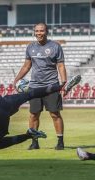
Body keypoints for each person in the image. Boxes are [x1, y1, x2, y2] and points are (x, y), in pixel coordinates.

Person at [13, 22, 81, 150]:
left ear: (47, 31)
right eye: (37, 31)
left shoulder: (55, 46)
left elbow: (60, 65)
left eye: (42, 31)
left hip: (51, 85)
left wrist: (64, 82)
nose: (39, 33)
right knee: (33, 114)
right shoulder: (30, 47)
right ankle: (34, 142)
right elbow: (27, 66)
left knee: (55, 114)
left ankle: (60, 142)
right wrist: (17, 79)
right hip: (34, 87)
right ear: (34, 32)